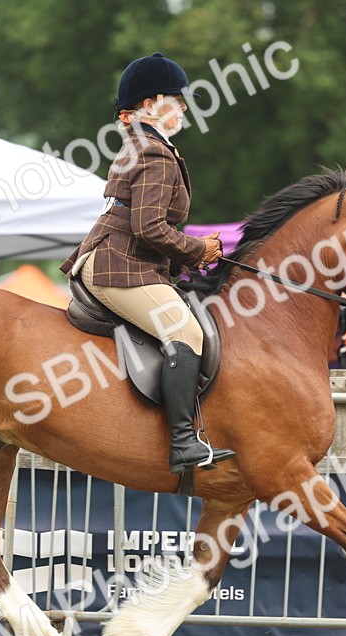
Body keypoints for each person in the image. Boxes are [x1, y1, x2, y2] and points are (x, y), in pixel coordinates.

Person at [59, 53, 233, 474]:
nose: (186, 107)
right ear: (152, 103)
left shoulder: (144, 144)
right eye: (179, 98)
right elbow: (149, 227)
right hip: (120, 265)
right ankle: (182, 444)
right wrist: (198, 251)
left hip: (122, 259)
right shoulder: (153, 152)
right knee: (186, 331)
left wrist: (192, 257)